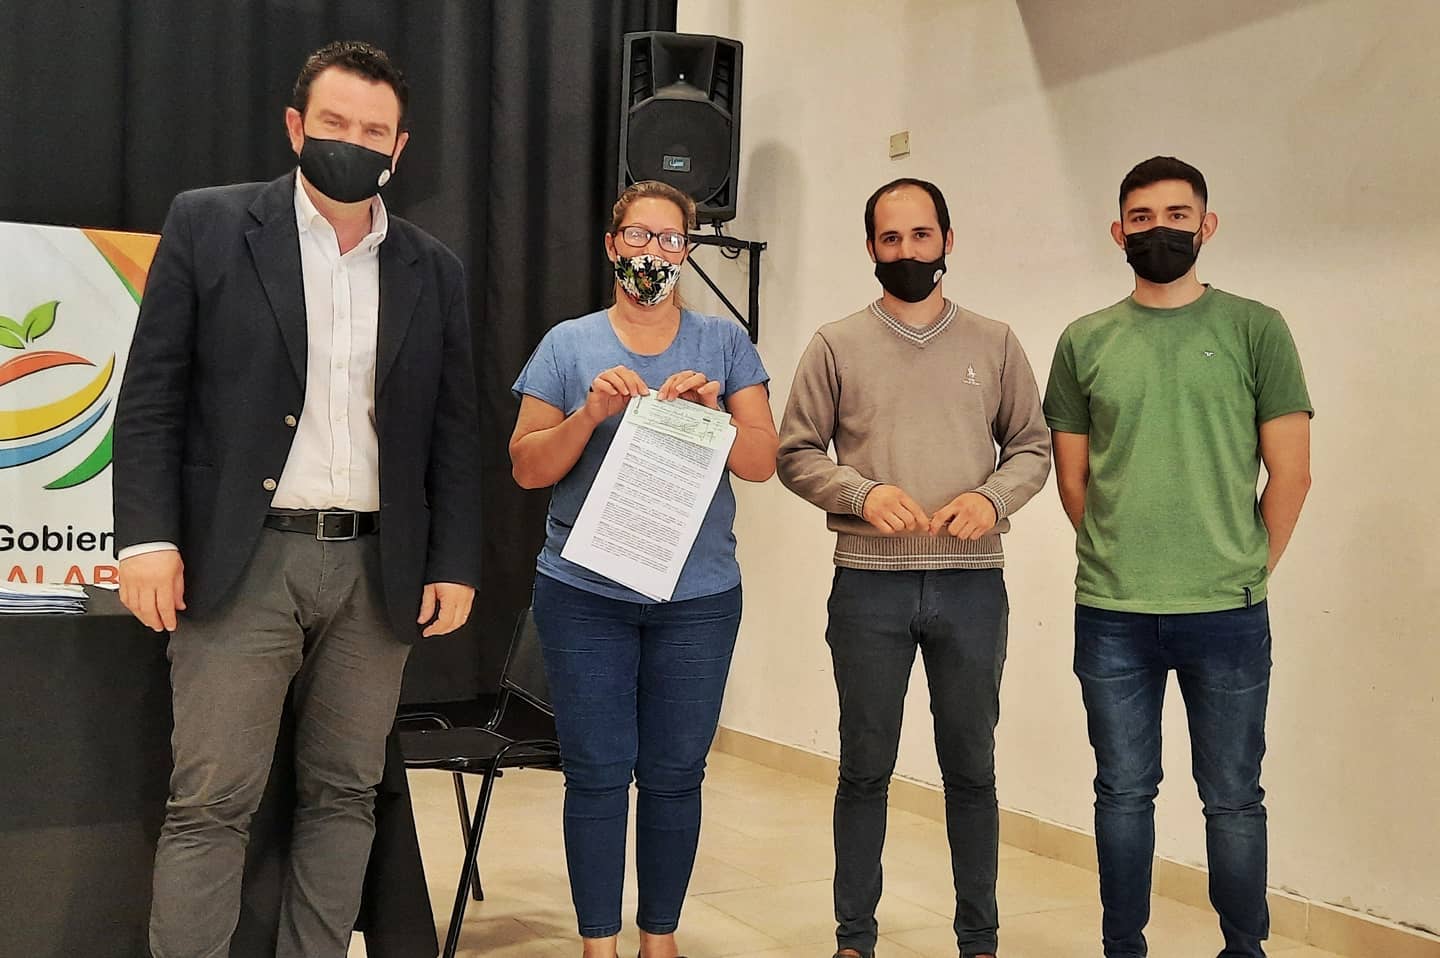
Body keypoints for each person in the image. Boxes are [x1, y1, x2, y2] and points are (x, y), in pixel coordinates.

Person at [112, 40, 482, 958]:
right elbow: (152, 397)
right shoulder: (208, 224)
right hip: (242, 561)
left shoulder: (433, 268)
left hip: (378, 571)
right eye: (334, 122)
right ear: (295, 126)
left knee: (346, 795)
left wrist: (455, 561)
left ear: (399, 146)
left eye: (374, 130)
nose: (353, 141)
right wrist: (147, 539)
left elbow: (453, 429)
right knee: (211, 801)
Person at [1043, 155, 1313, 958]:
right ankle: (1124, 948)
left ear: (1207, 225)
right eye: (1142, 218)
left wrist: (1247, 566)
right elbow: (1073, 479)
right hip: (1113, 613)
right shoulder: (1083, 340)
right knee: (1123, 794)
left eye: (1176, 216)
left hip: (1228, 613)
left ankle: (1244, 950)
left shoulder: (1256, 328)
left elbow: (1292, 471)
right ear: (1117, 231)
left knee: (1233, 799)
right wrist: (1119, 556)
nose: (1158, 230)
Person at [776, 177, 1052, 958]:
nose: (907, 250)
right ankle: (854, 939)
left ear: (947, 241)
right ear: (871, 247)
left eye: (921, 235)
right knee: (865, 766)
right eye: (891, 238)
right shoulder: (836, 344)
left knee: (972, 769)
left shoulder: (995, 342)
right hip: (868, 587)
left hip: (971, 584)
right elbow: (796, 452)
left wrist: (992, 501)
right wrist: (860, 493)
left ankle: (980, 940)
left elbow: (1031, 446)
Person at [509, 179, 777, 958]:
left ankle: (660, 939)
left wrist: (715, 416)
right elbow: (526, 467)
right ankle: (599, 943)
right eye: (638, 236)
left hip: (697, 597)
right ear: (611, 244)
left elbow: (762, 461)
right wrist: (589, 413)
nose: (652, 253)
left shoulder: (724, 344)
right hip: (583, 593)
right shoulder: (568, 345)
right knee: (596, 772)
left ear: (687, 251)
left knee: (675, 773)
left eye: (669, 239)